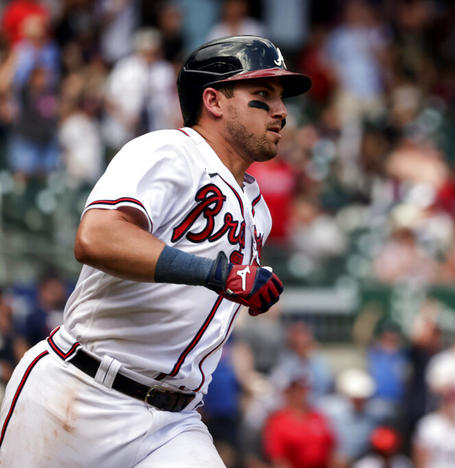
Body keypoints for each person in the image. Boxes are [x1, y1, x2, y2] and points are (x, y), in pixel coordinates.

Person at [0, 35, 311, 467]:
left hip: (173, 422)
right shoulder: (168, 152)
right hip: (82, 393)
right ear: (214, 101)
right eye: (262, 95)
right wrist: (217, 275)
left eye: (281, 98)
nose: (281, 111)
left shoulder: (258, 210)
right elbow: (96, 237)